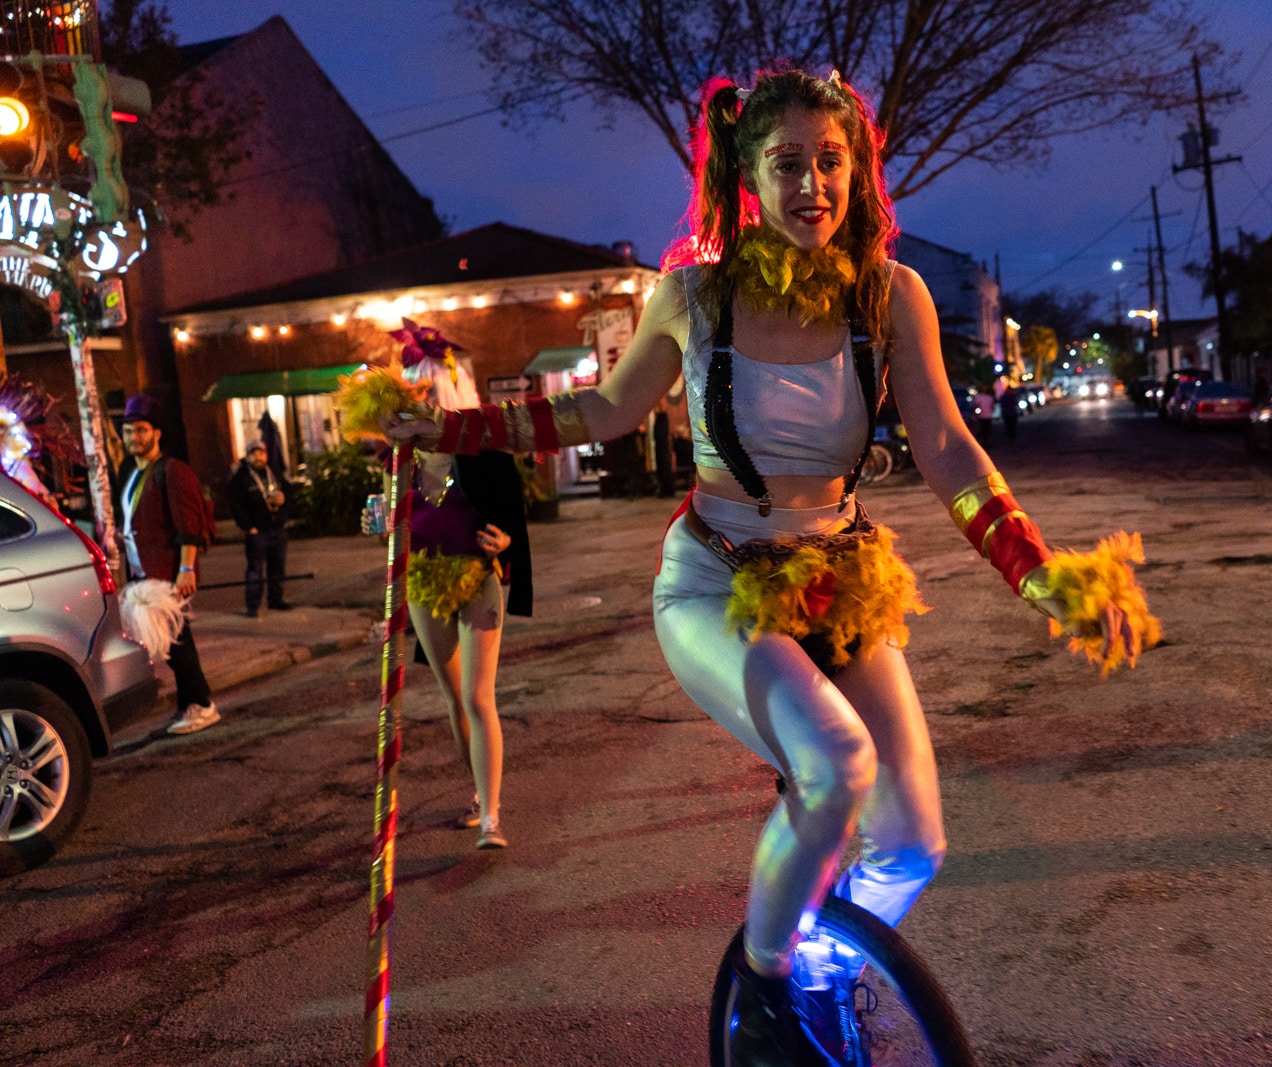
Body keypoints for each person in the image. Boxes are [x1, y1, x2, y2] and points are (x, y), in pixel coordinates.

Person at [348, 67, 1156, 1064]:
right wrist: (451, 424)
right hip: (714, 581)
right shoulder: (692, 296)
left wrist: (1041, 574)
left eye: (831, 161)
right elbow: (599, 412)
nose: (812, 183)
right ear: (747, 176)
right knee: (837, 764)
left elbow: (947, 447)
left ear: (859, 174)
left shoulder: (890, 296)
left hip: (841, 577)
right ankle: (770, 997)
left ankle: (821, 975)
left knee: (911, 841)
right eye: (786, 165)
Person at [352, 320, 533, 850]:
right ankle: (480, 795)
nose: (420, 397)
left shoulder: (480, 451)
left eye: (429, 388)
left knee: (479, 697)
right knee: (454, 697)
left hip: (478, 579)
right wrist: (382, 524)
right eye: (414, 388)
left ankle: (492, 818)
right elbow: (397, 523)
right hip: (424, 582)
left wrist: (506, 545)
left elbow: (512, 520)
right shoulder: (398, 458)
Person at [115, 395, 219, 735]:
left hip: (170, 573)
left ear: (157, 433)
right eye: (128, 431)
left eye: (141, 430)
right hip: (145, 572)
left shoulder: (172, 470)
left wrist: (186, 569)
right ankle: (189, 705)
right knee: (173, 644)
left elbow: (187, 524)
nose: (134, 437)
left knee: (177, 643)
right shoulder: (131, 472)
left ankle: (202, 705)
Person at [226, 439, 291, 615]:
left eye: (261, 453)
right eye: (254, 454)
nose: (258, 457)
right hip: (257, 532)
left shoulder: (274, 473)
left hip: (277, 529)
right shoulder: (241, 478)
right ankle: (253, 605)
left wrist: (283, 504)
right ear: (247, 457)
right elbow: (235, 505)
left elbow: (289, 494)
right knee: (255, 570)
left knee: (277, 567)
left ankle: (276, 600)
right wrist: (247, 527)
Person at [996, 375, 1022, 444]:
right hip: (1007, 413)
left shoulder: (1013, 396)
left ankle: (1012, 438)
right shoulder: (1004, 396)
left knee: (1013, 426)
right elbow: (1002, 404)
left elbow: (1016, 402)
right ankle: (1010, 438)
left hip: (1012, 413)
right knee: (1008, 426)